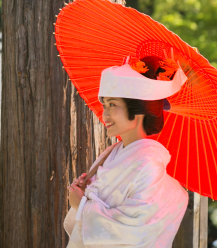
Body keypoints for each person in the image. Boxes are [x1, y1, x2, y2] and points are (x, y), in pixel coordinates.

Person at [64, 56, 189, 248]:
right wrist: (85, 193)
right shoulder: (109, 154)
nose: (105, 114)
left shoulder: (149, 164)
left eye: (113, 105)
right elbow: (78, 228)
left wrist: (82, 206)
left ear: (138, 110)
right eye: (104, 105)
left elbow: (134, 232)